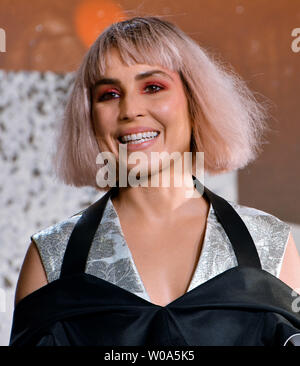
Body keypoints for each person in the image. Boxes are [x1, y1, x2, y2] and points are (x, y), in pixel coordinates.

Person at [10, 16, 300, 346]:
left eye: (152, 87)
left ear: (195, 99)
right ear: (88, 115)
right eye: (109, 94)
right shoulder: (51, 255)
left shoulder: (270, 244)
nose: (130, 109)